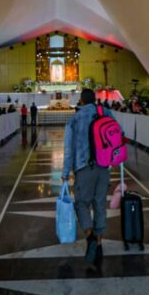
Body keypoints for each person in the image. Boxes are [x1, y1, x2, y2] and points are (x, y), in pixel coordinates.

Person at [62, 89, 114, 268]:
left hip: (84, 167)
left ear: (81, 101)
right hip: (104, 166)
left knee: (81, 203)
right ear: (95, 99)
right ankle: (99, 244)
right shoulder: (106, 113)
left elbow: (69, 148)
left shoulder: (75, 119)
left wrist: (65, 172)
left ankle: (90, 235)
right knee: (100, 204)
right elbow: (117, 135)